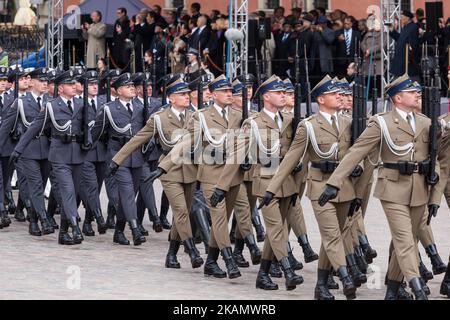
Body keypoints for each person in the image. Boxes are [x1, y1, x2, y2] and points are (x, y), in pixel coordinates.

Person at [319, 74, 440, 300]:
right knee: (404, 241)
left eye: (417, 92)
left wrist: (434, 194)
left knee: (409, 240)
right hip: (393, 189)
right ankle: (417, 287)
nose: (417, 94)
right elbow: (357, 152)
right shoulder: (381, 122)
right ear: (397, 98)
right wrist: (334, 182)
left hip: (420, 190)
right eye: (411, 91)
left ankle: (393, 290)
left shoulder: (425, 121)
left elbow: (435, 158)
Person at [93, 73, 146, 246]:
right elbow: (97, 133)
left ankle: (119, 231)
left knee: (129, 195)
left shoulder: (140, 106)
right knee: (127, 191)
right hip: (117, 155)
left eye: (132, 85)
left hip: (137, 156)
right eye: (127, 86)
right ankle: (135, 228)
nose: (132, 87)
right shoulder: (109, 108)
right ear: (117, 90)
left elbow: (148, 129)